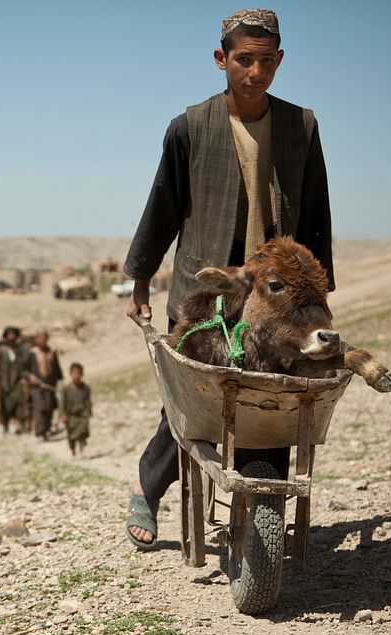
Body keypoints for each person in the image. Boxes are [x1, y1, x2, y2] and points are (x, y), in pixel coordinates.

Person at [123, 8, 335, 550]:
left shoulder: (302, 126)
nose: (255, 72)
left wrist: (317, 296)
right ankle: (148, 490)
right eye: (244, 60)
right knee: (192, 405)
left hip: (276, 298)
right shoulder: (190, 127)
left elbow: (315, 215)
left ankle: (258, 512)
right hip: (208, 293)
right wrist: (141, 281)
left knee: (274, 400)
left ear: (280, 61)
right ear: (222, 60)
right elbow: (162, 209)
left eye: (266, 61)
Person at [24, 328, 63, 441]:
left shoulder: (51, 352)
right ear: (36, 339)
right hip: (37, 387)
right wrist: (30, 377)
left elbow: (57, 369)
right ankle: (40, 433)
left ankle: (46, 430)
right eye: (39, 337)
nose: (41, 340)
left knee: (49, 407)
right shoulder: (32, 353)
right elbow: (24, 370)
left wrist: (60, 381)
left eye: (43, 337)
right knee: (39, 408)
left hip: (50, 385)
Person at [0, 326, 25, 435]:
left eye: (13, 334)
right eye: (9, 334)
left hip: (16, 383)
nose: (11, 336)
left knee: (18, 404)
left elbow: (22, 366)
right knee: (4, 405)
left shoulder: (19, 350)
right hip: (4, 383)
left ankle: (18, 425)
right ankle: (5, 426)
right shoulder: (2, 351)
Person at [59, 362, 93, 459]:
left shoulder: (85, 388)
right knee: (72, 436)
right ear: (70, 374)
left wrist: (89, 412)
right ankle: (73, 452)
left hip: (82, 415)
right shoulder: (66, 389)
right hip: (71, 416)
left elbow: (88, 401)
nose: (76, 376)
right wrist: (63, 414)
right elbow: (62, 404)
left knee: (82, 434)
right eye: (74, 373)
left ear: (82, 374)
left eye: (78, 373)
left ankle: (81, 451)